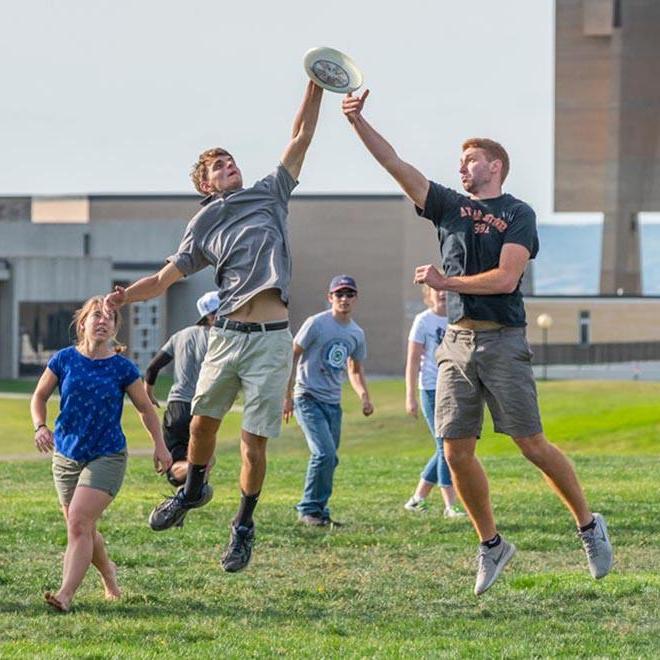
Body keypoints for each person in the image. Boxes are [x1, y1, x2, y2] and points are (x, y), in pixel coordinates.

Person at [342, 90, 613, 596]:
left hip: (503, 341)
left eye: (470, 160)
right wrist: (358, 122)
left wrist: (447, 284)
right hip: (456, 344)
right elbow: (393, 163)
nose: (462, 168)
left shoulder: (517, 213)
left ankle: (587, 524)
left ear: (496, 165)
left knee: (530, 443)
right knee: (455, 450)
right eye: (460, 162)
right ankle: (491, 544)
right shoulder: (449, 207)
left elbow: (507, 279)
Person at [104, 80, 324, 573]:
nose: (230, 167)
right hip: (224, 337)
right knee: (201, 424)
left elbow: (301, 135)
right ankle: (193, 488)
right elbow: (164, 279)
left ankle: (243, 527)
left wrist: (315, 86)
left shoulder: (269, 194)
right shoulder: (202, 224)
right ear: (206, 184)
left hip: (270, 340)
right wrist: (125, 296)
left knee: (253, 441)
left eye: (231, 161)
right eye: (218, 166)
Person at [30, 296, 172, 613]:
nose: (103, 320)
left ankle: (65, 595)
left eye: (109, 317)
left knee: (79, 522)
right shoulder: (64, 359)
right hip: (66, 454)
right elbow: (39, 396)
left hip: (107, 455)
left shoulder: (122, 367)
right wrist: (40, 426)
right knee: (82, 525)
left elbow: (146, 410)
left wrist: (160, 446)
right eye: (97, 315)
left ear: (114, 328)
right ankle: (109, 576)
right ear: (83, 323)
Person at [283, 275, 373, 526]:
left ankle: (319, 512)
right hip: (307, 396)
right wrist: (287, 395)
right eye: (339, 294)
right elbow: (292, 355)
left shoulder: (356, 333)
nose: (344, 299)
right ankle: (309, 510)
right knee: (323, 453)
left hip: (333, 402)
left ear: (356, 298)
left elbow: (354, 370)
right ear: (330, 297)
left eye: (349, 294)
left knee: (330, 458)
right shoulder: (316, 324)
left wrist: (364, 396)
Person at [144, 291, 220, 491]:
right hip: (205, 406)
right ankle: (198, 469)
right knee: (200, 457)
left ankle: (193, 477)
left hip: (178, 406)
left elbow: (152, 368)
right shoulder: (221, 338)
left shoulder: (180, 335)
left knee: (175, 468)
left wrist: (148, 394)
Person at [404, 285, 464, 519]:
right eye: (435, 290)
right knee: (444, 446)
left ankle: (417, 499)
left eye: (445, 289)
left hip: (453, 388)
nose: (441, 293)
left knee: (444, 447)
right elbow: (412, 361)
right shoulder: (423, 321)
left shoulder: (457, 319)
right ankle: (451, 505)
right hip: (430, 389)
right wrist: (410, 396)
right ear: (428, 295)